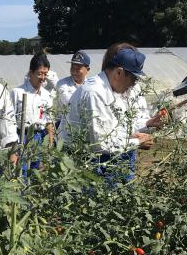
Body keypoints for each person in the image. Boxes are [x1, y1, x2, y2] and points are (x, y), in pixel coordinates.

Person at [59, 45, 154, 184]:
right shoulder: (95, 93)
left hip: (97, 156)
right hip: (81, 160)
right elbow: (101, 143)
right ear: (119, 73)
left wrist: (134, 133)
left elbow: (112, 128)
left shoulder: (110, 90)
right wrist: (138, 142)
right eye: (133, 79)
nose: (133, 85)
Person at [11, 54, 55, 171]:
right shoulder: (17, 92)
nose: (43, 77)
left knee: (36, 171)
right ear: (31, 73)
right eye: (39, 73)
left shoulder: (46, 95)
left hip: (38, 137)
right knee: (21, 170)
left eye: (45, 74)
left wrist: (50, 144)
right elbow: (9, 120)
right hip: (21, 136)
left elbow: (49, 121)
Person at [55, 51, 91, 119]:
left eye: (78, 68)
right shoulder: (62, 84)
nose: (74, 71)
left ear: (87, 70)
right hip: (64, 125)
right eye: (72, 67)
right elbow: (70, 103)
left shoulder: (91, 85)